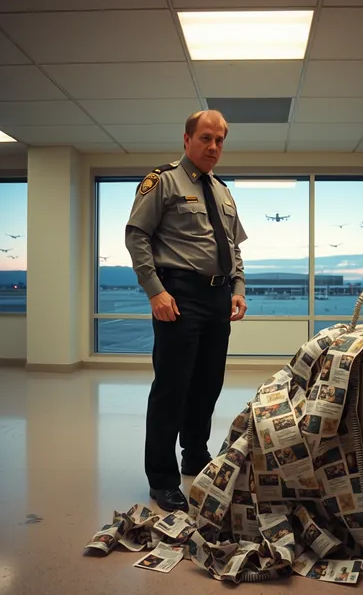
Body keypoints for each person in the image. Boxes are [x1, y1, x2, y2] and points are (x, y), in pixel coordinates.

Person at [125, 110, 248, 512]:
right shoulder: (162, 181)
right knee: (172, 387)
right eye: (206, 138)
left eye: (220, 140)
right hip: (178, 295)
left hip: (217, 297)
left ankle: (195, 455)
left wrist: (237, 287)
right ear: (187, 139)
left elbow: (234, 247)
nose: (213, 147)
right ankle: (161, 479)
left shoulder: (223, 191)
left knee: (207, 384)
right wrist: (155, 291)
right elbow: (137, 235)